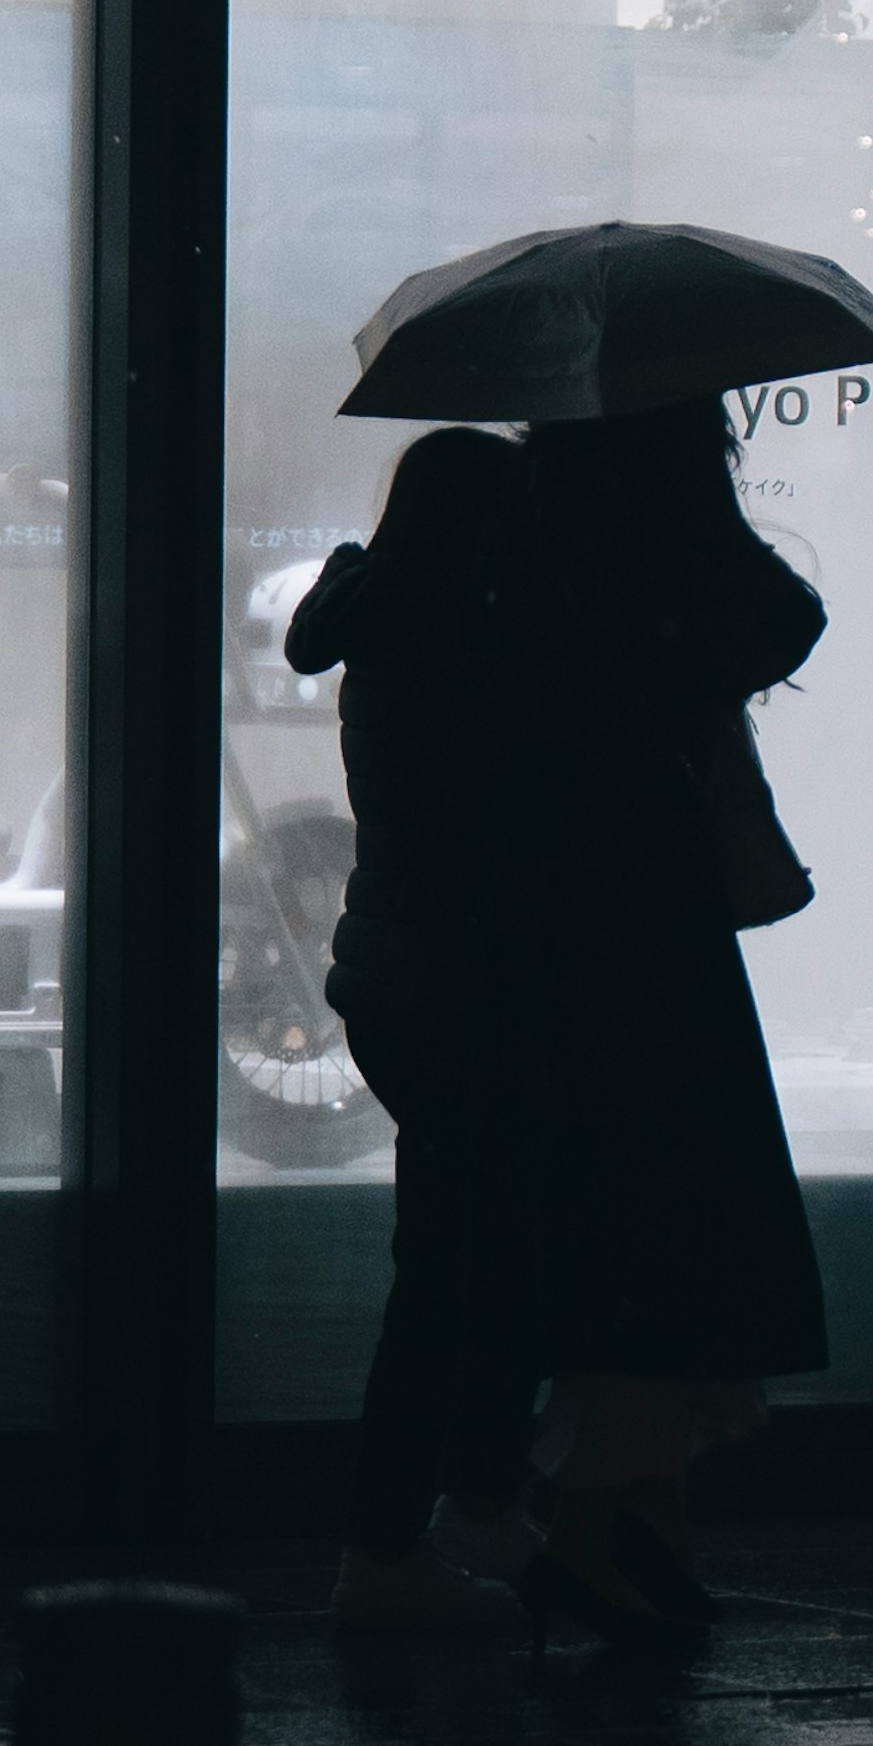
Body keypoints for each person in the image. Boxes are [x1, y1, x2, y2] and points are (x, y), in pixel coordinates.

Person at [505, 396, 829, 1640]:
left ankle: (637, 1530)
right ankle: (599, 1536)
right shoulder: (669, 557)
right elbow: (783, 618)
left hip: (550, 924)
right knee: (676, 1238)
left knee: (622, 1243)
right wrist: (709, 499)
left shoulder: (532, 532)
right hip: (653, 932)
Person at [285, 429, 542, 1634]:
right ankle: (397, 1536)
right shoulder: (462, 645)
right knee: (457, 1274)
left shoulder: (381, 620)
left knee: (459, 1258)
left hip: (393, 975)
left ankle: (460, 1506)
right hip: (458, 981)